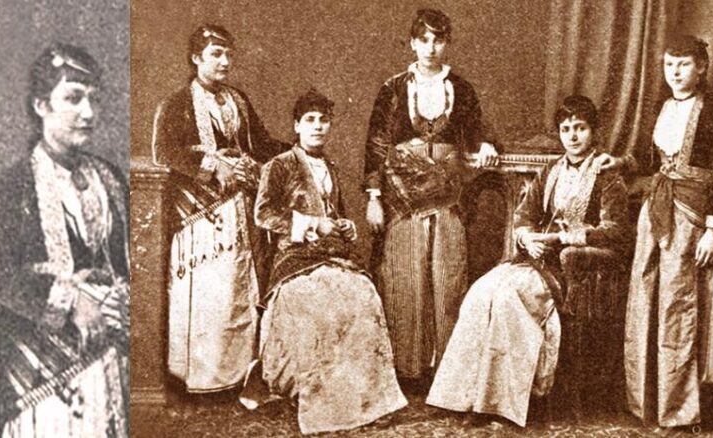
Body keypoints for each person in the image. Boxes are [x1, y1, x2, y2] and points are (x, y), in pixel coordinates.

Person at [426, 95, 631, 426]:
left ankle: (498, 403)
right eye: (566, 129)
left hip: (570, 266)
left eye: (580, 128)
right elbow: (524, 215)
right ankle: (459, 396)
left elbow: (615, 230)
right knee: (482, 290)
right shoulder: (551, 170)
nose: (573, 136)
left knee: (509, 298)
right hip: (535, 259)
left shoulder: (607, 175)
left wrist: (559, 239)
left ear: (594, 131)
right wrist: (526, 238)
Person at [0, 43, 129, 437]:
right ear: (41, 105)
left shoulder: (110, 179)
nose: (88, 113)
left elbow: (125, 262)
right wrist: (70, 300)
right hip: (43, 373)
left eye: (94, 99)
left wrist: (120, 296)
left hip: (110, 357)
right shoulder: (9, 187)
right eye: (73, 98)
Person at [239, 89, 408, 435]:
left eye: (324, 120)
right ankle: (325, 403)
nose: (318, 127)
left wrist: (344, 225)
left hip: (331, 255)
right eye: (310, 120)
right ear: (296, 126)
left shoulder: (330, 166)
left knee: (363, 295)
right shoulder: (279, 164)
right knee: (318, 302)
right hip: (294, 258)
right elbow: (263, 214)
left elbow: (336, 215)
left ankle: (368, 399)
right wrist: (313, 224)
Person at [362, 8, 501, 383]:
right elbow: (376, 146)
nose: (431, 47)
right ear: (412, 43)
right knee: (405, 280)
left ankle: (446, 372)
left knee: (447, 281)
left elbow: (477, 131)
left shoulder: (461, 89)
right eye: (423, 40)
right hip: (403, 201)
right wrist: (373, 197)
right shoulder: (393, 89)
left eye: (438, 40)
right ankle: (406, 371)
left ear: (447, 43)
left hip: (446, 197)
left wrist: (486, 144)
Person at [151, 24, 288, 392]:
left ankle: (238, 376)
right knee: (211, 294)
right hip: (200, 215)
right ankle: (203, 379)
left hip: (240, 209)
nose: (225, 61)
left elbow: (261, 143)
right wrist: (213, 166)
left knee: (238, 291)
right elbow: (164, 152)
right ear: (196, 58)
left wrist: (295, 150)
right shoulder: (177, 104)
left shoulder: (238, 100)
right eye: (216, 54)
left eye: (228, 54)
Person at [623, 34, 713, 429]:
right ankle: (646, 402)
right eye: (669, 64)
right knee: (645, 293)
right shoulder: (661, 107)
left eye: (684, 64)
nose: (674, 72)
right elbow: (649, 161)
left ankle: (680, 409)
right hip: (656, 209)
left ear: (701, 68)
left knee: (678, 301)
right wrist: (619, 162)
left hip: (692, 216)